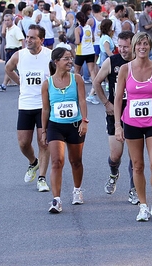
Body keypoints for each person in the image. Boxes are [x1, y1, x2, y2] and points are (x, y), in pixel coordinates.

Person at [114, 32, 152, 223]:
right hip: (131, 123)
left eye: (145, 44)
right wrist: (117, 126)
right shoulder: (125, 69)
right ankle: (143, 205)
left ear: (150, 46)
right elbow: (117, 99)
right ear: (134, 47)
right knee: (137, 166)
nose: (142, 47)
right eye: (139, 44)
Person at [93, 31, 140, 204]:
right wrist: (106, 103)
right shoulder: (112, 62)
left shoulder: (140, 63)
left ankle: (134, 189)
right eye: (119, 46)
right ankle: (114, 173)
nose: (122, 50)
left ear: (134, 45)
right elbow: (97, 81)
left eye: (126, 46)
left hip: (136, 114)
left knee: (135, 157)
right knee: (115, 154)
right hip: (116, 114)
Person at [41, 47, 88, 213]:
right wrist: (44, 131)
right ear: (56, 62)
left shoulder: (77, 79)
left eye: (71, 58)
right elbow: (45, 109)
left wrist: (84, 121)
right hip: (55, 126)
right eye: (66, 59)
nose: (70, 61)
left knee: (76, 161)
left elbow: (82, 101)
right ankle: (56, 200)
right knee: (57, 161)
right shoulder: (47, 84)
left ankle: (77, 190)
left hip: (75, 125)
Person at [5, 24, 51, 192]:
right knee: (23, 143)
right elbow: (8, 69)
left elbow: (57, 77)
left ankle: (42, 178)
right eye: (27, 37)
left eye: (32, 37)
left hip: (44, 106)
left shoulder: (50, 56)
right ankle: (33, 162)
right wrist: (20, 83)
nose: (28, 40)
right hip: (25, 104)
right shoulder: (19, 55)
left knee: (43, 142)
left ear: (41, 40)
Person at [0, 14, 25, 92]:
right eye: (5, 20)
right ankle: (4, 85)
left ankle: (6, 85)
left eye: (8, 20)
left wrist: (24, 51)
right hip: (9, 50)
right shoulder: (8, 29)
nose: (6, 22)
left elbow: (22, 39)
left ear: (12, 20)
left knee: (11, 69)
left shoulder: (16, 29)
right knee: (9, 69)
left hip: (15, 51)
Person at [74, 12, 98, 105]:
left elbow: (77, 41)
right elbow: (93, 39)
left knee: (76, 71)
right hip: (90, 51)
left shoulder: (78, 29)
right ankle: (94, 88)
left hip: (81, 52)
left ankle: (75, 90)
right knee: (92, 71)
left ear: (77, 20)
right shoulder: (89, 27)